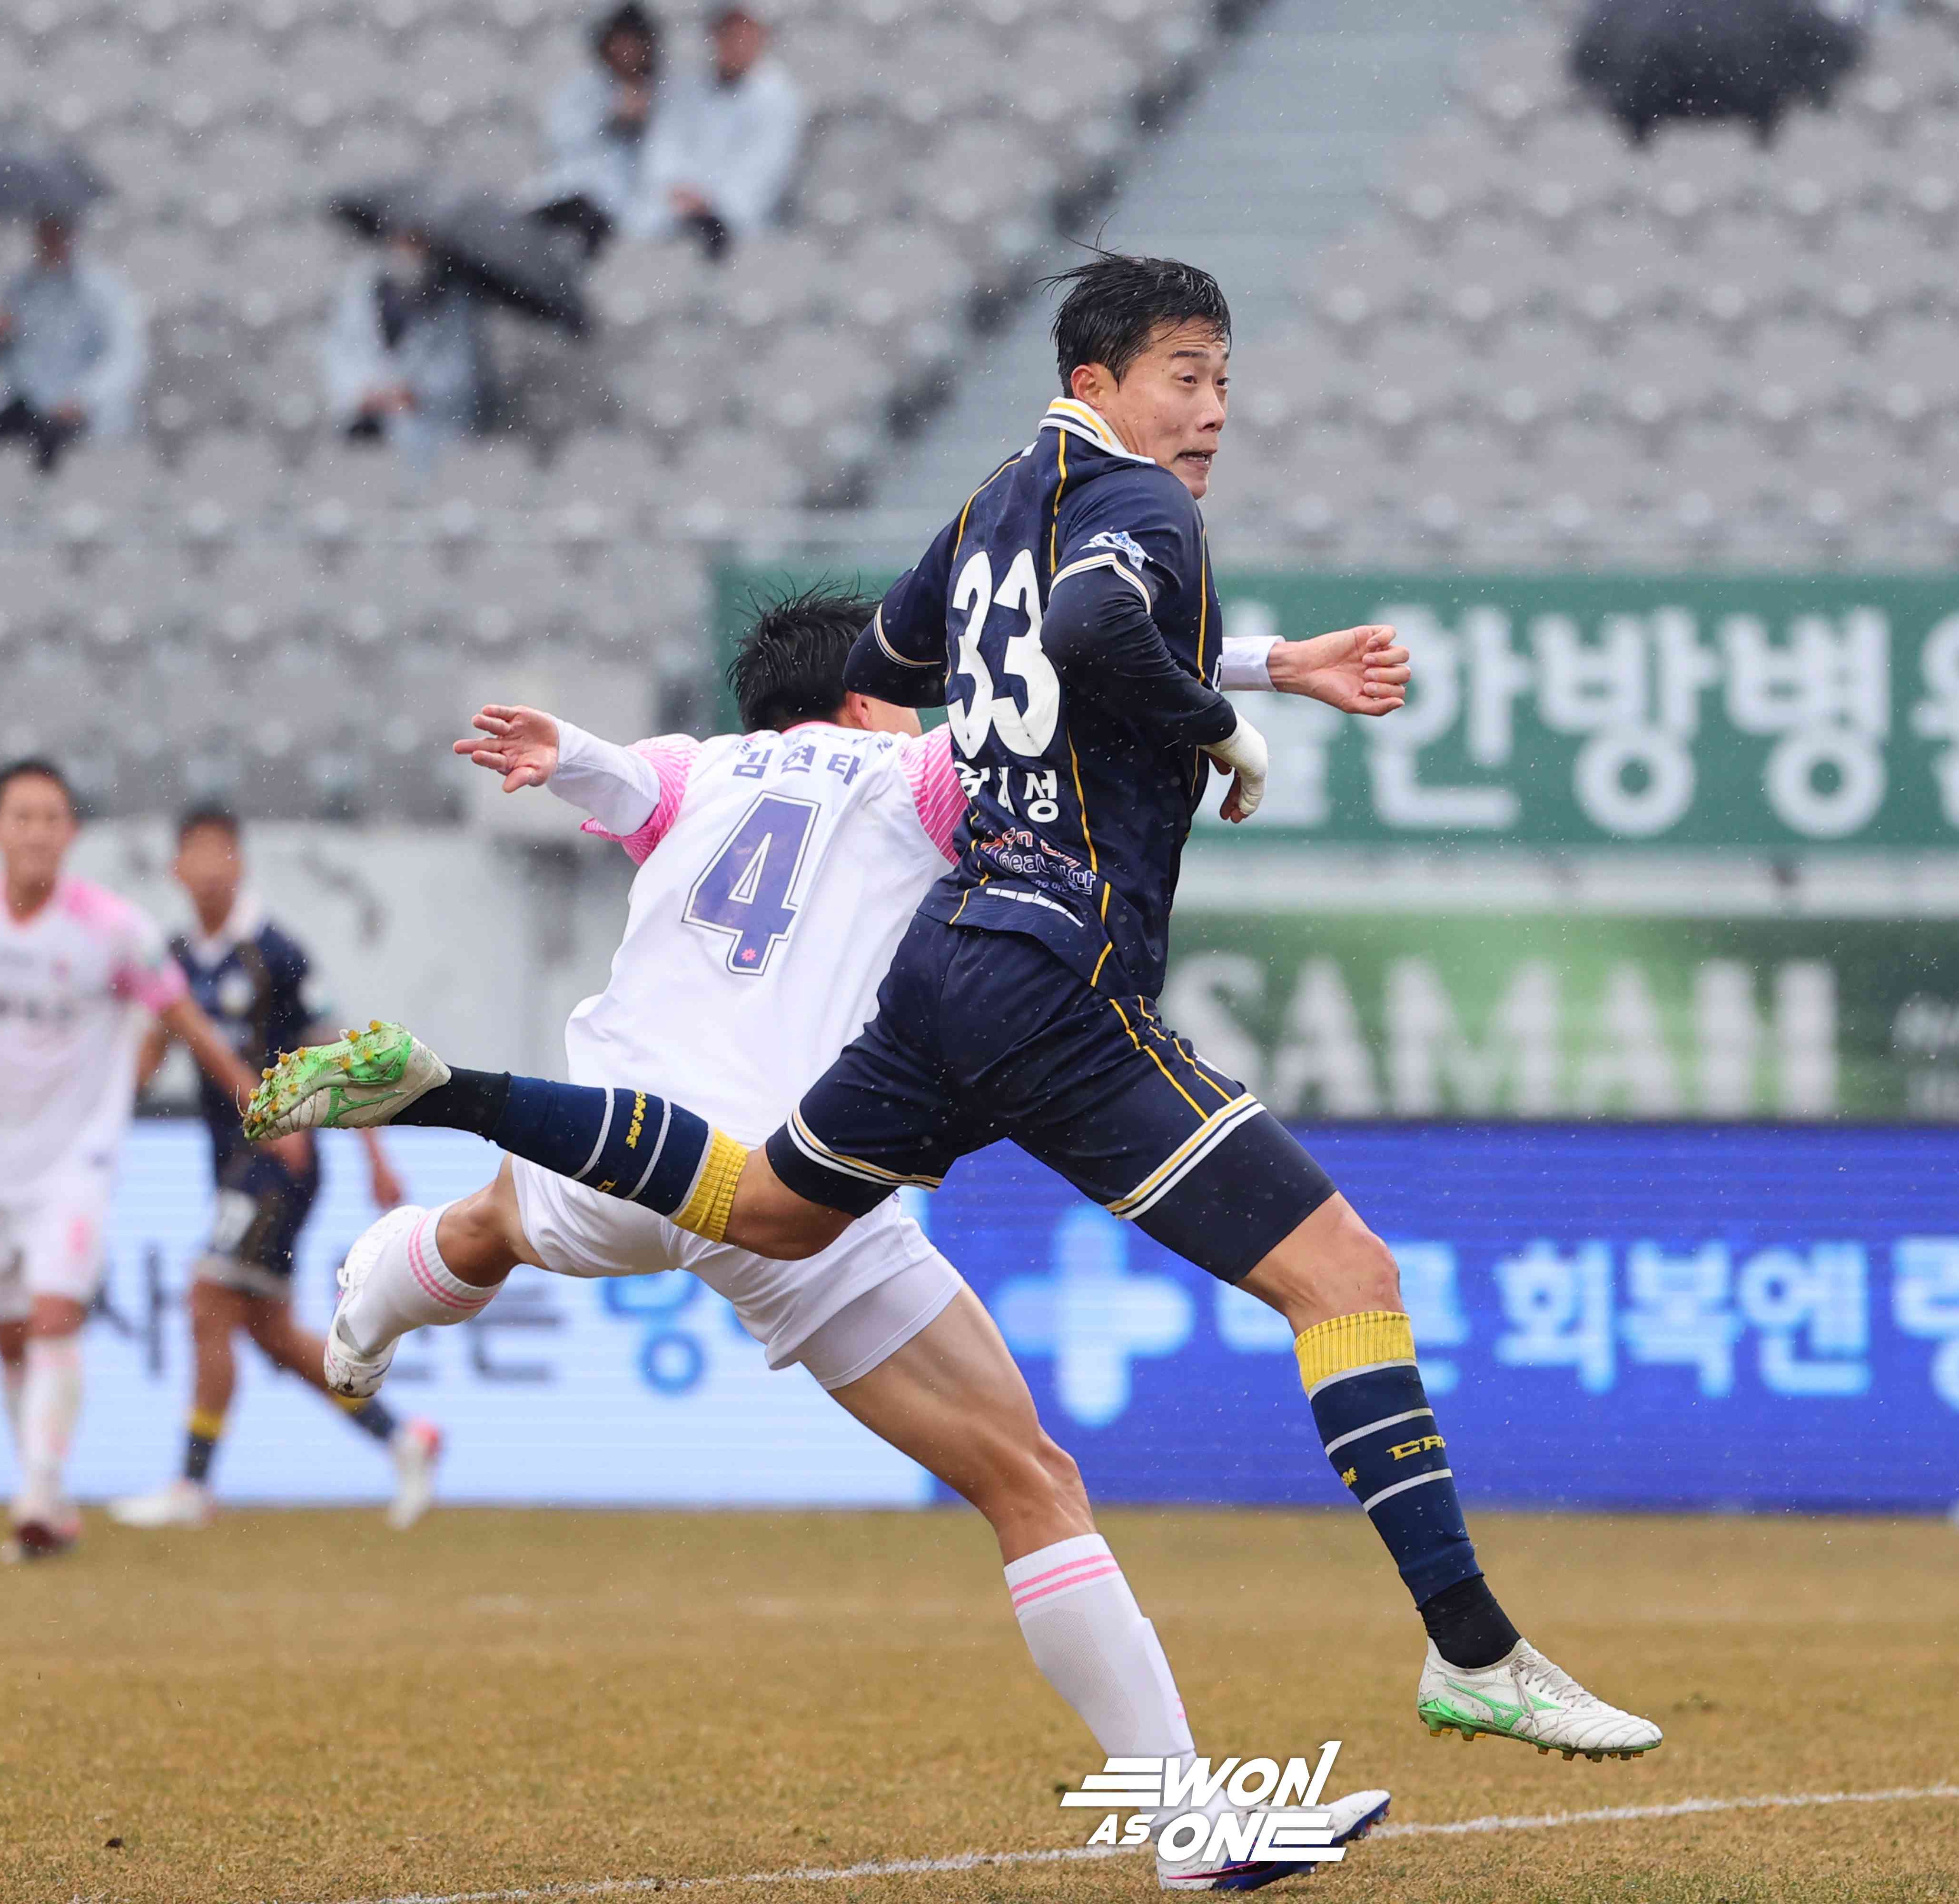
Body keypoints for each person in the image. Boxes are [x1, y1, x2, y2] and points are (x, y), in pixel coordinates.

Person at [249, 255, 1662, 1762]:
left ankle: (445, 1108)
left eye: (1221, 382)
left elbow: (830, 684)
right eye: (1188, 376)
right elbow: (1085, 642)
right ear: (1100, 382)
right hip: (1031, 990)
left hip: (736, 1091)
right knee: (1313, 1293)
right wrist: (1233, 715)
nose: (1212, 410)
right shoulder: (1055, 610)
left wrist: (574, 756)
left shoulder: (903, 588)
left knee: (642, 1219)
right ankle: (1457, 1654)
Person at [279, 587, 1399, 1886]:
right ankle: (1184, 1826)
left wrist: (566, 751)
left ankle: (368, 1309)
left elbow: (613, 773)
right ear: (866, 696)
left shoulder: (696, 773)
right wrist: (1275, 667)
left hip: (622, 1146)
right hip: (788, 1187)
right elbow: (1082, 669)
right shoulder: (911, 772)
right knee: (1029, 1482)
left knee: (491, 1222)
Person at [0, 760, 257, 1565]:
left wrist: (254, 1095)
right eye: (23, 816)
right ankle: (47, 1491)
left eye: (52, 817)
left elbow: (182, 1015)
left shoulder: (114, 928)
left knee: (52, 1315)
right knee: (9, 1335)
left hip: (78, 1153)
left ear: (72, 832)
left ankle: (37, 1496)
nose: (37, 832)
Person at [109, 807, 443, 1534]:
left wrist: (376, 1156)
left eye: (220, 853)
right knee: (270, 1333)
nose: (208, 868)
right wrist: (103, 1124)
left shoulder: (277, 952)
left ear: (240, 863)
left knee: (206, 1301)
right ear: (175, 869)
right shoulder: (174, 957)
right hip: (227, 1162)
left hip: (281, 1159)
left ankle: (193, 1485)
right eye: (195, 854)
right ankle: (404, 1439)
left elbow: (339, 1053)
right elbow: (156, 1047)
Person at [0, 214, 148, 473]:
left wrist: (83, 399)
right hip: (25, 408)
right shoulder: (14, 289)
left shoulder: (103, 292)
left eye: (57, 234)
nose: (51, 242)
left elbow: (126, 357)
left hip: (83, 414)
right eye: (45, 234)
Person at [636, 4, 803, 262]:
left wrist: (713, 202)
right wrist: (677, 190)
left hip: (740, 220)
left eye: (745, 35)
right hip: (675, 209)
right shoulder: (685, 86)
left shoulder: (779, 97)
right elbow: (664, 143)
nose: (736, 44)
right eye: (729, 34)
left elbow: (767, 166)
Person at [320, 231, 487, 469]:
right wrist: (362, 393)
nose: (408, 253)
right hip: (365, 434)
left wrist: (416, 395)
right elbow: (338, 349)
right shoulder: (362, 286)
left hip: (435, 439)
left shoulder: (452, 299)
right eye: (402, 241)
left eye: (416, 243)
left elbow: (463, 370)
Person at [528, 0, 666, 257]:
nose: (627, 52)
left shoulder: (664, 94)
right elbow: (560, 139)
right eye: (620, 42)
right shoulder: (582, 87)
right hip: (568, 195)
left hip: (621, 210)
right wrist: (613, 121)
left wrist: (640, 123)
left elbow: (666, 160)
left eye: (634, 44)